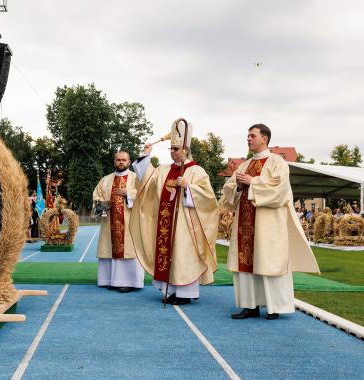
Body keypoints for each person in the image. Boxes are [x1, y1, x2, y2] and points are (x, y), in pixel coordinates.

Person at [222, 123, 319, 320]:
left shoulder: (277, 162)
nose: (248, 139)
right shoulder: (243, 165)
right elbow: (229, 194)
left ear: (264, 138)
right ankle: (250, 305)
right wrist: (238, 187)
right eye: (247, 136)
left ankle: (275, 306)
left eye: (252, 136)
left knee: (268, 261)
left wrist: (253, 182)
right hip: (245, 225)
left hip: (268, 226)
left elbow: (282, 192)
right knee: (246, 263)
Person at [130, 119, 218, 305]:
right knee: (167, 252)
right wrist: (145, 155)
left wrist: (188, 188)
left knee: (182, 254)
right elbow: (146, 180)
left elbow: (209, 199)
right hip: (166, 222)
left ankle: (186, 293)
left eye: (175, 149)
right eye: (170, 149)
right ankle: (172, 289)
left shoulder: (197, 171)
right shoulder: (163, 170)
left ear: (185, 149)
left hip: (185, 224)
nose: (172, 152)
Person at [92, 151, 143, 292]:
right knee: (109, 249)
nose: (121, 162)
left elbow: (143, 195)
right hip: (109, 223)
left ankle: (130, 282)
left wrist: (128, 194)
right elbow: (96, 195)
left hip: (129, 224)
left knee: (128, 251)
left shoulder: (136, 179)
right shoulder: (106, 180)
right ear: (114, 161)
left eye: (124, 160)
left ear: (129, 161)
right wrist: (101, 204)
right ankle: (109, 279)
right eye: (118, 160)